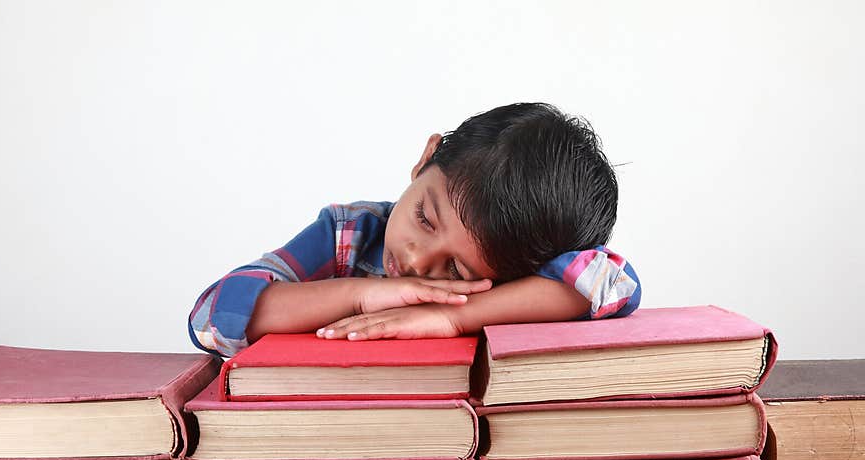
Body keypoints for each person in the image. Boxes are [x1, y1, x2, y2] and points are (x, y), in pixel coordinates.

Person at [189, 102, 641, 358]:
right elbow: (210, 317)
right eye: (425, 218)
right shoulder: (350, 234)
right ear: (426, 159)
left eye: (456, 271)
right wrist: (361, 295)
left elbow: (610, 281)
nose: (416, 260)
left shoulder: (509, 281)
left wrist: (452, 316)